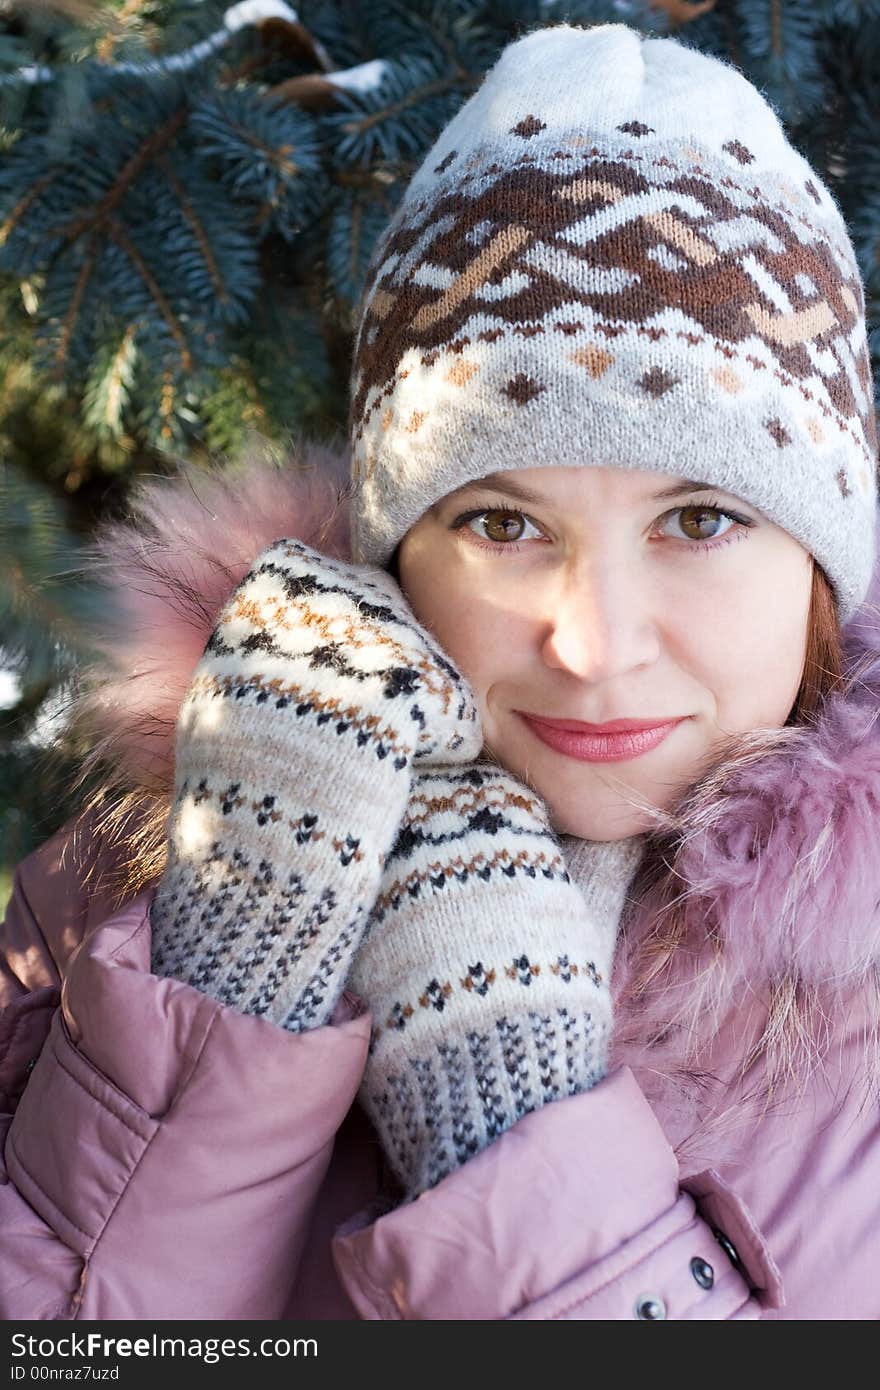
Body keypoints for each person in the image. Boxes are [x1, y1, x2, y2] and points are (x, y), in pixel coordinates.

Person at [2, 20, 879, 1321]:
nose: (594, 644)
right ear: (396, 548)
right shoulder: (135, 880)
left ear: (822, 563)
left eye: (700, 519)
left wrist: (515, 1122)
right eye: (504, 523)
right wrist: (228, 986)